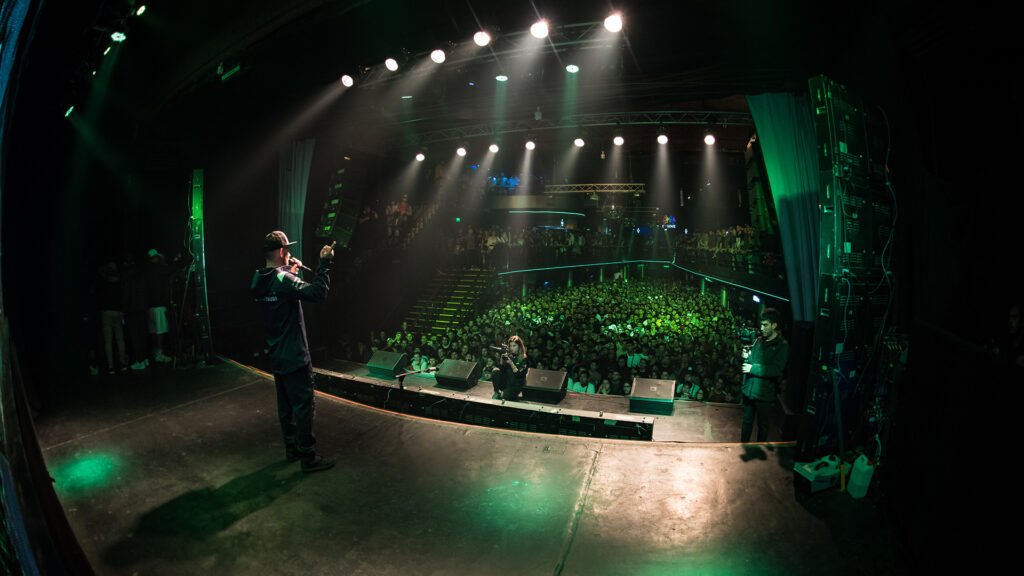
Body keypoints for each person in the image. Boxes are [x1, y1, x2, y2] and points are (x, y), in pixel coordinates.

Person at [251, 230, 336, 473]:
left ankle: (292, 450)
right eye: (287, 250)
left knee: (285, 406)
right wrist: (324, 263)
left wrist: (289, 272)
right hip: (295, 355)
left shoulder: (258, 278)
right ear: (281, 252)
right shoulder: (284, 280)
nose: (289, 254)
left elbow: (277, 291)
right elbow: (319, 293)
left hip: (276, 352)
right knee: (303, 406)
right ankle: (308, 457)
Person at [740, 307, 789, 443]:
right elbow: (750, 361)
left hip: (764, 396)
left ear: (774, 325)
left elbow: (775, 370)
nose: (762, 328)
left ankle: (758, 451)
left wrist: (752, 368)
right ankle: (742, 447)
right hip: (749, 391)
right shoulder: (758, 341)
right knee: (746, 424)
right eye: (761, 324)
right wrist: (747, 356)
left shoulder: (782, 345)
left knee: (763, 426)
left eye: (765, 325)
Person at [491, 335, 528, 400]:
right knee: (495, 371)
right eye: (510, 346)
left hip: (516, 385)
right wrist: (501, 360)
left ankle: (506, 393)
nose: (512, 348)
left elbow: (519, 375)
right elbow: (502, 370)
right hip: (507, 382)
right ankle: (497, 391)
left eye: (514, 346)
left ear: (519, 346)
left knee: (504, 396)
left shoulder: (523, 358)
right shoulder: (509, 355)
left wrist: (511, 363)